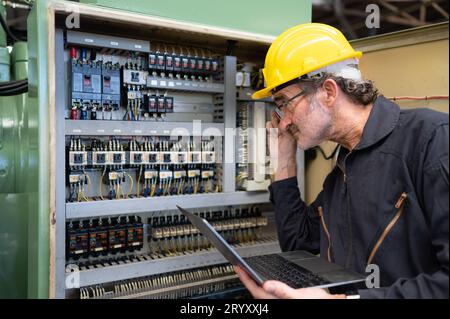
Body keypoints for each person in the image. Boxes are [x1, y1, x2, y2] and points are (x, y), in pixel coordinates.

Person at [234, 23, 449, 299]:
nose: (283, 120)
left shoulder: (432, 140)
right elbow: (298, 242)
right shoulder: (342, 171)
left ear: (328, 92)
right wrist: (285, 162)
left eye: (285, 102)